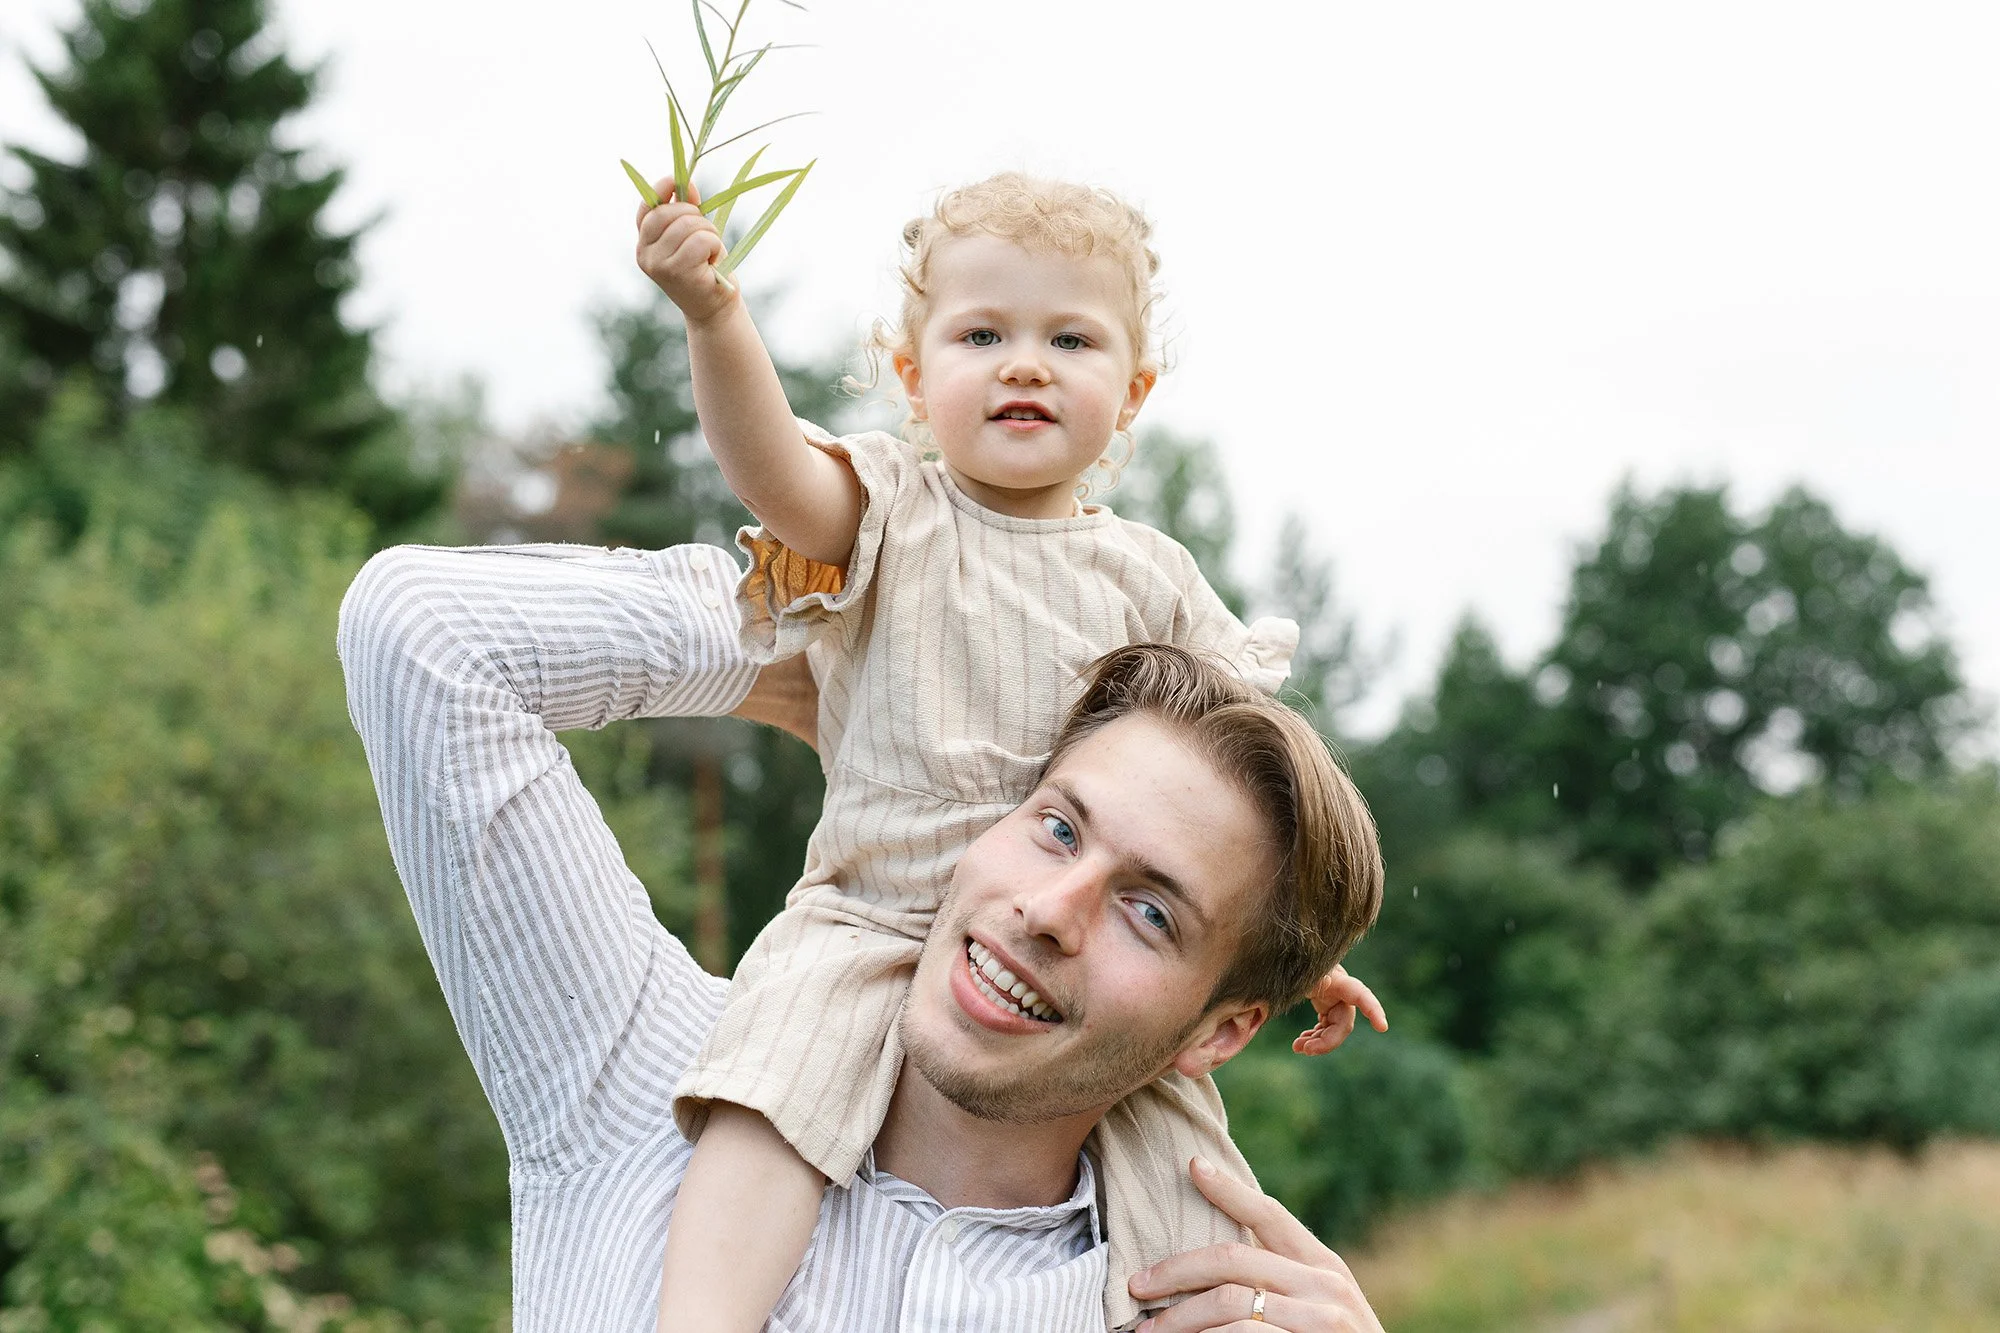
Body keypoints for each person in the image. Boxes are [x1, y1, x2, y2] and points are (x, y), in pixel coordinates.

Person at [635, 171, 1386, 1333]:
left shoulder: (1152, 577)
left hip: (1077, 964)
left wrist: (1292, 954)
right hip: (872, 915)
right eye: (981, 333)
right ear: (911, 374)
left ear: (1130, 392)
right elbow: (767, 467)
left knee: (1197, 1195)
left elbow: (1250, 809)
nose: (1024, 363)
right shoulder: (890, 513)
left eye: (1068, 339)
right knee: (766, 1100)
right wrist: (713, 316)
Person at [337, 542, 1389, 1331]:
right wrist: (838, 649)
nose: (1048, 910)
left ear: (1216, 1032)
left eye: (1149, 912)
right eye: (1056, 827)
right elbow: (422, 632)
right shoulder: (645, 1066)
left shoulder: (1187, 1302)